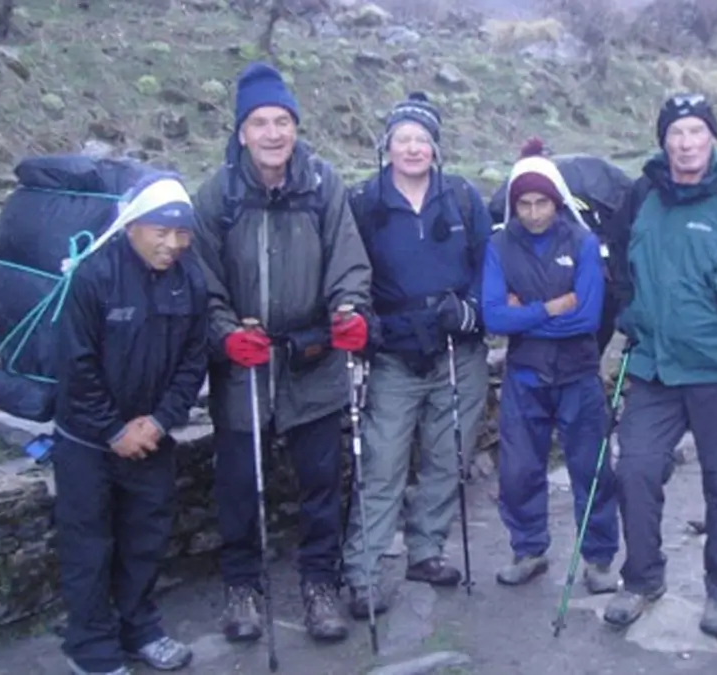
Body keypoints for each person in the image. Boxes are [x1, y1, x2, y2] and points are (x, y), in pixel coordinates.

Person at [192, 61, 372, 644]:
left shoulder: (323, 184)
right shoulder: (218, 193)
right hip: (243, 367)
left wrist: (348, 310)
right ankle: (242, 585)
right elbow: (203, 280)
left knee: (322, 483)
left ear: (295, 126)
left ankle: (321, 585)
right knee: (239, 485)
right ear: (242, 130)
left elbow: (349, 259)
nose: (274, 134)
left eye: (284, 121)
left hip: (312, 358)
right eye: (261, 122)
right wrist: (223, 333)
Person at [600, 94, 717, 638]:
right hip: (653, 367)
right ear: (663, 141)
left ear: (713, 138)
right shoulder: (641, 196)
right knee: (636, 470)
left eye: (697, 131)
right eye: (676, 133)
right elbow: (617, 259)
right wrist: (630, 311)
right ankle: (643, 579)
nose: (686, 143)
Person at [341, 92, 494, 619]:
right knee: (382, 464)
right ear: (387, 147)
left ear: (435, 147)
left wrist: (471, 311)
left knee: (445, 456)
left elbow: (486, 266)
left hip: (457, 347)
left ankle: (426, 551)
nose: (412, 148)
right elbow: (348, 270)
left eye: (421, 140)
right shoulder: (364, 201)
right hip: (393, 351)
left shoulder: (463, 198)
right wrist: (365, 323)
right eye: (402, 139)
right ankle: (363, 571)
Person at [52, 174, 207, 675]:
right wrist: (114, 430)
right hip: (88, 441)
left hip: (151, 438)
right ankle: (91, 646)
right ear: (132, 225)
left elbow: (193, 360)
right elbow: (76, 364)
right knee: (89, 544)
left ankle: (139, 628)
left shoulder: (192, 280)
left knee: (145, 537)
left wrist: (160, 421)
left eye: (181, 233)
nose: (172, 244)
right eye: (160, 231)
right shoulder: (94, 276)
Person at [481, 138, 620, 591]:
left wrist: (524, 314)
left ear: (556, 201)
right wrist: (549, 309)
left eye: (542, 202)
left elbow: (587, 318)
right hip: (524, 377)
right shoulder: (499, 246)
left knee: (590, 468)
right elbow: (493, 316)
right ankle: (528, 549)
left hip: (578, 374)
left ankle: (599, 558)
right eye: (525, 202)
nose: (534, 212)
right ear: (513, 203)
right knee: (519, 470)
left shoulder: (581, 240)